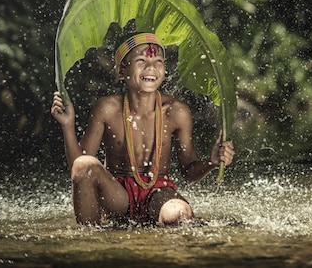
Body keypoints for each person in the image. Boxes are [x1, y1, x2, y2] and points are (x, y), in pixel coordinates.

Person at [51, 33, 234, 226]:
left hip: (158, 192)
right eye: (141, 60)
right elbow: (79, 168)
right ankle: (91, 245)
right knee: (84, 165)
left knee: (179, 213)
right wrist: (68, 126)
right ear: (121, 71)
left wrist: (212, 162)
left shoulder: (176, 111)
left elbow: (188, 172)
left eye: (158, 61)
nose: (151, 67)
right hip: (118, 196)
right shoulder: (107, 108)